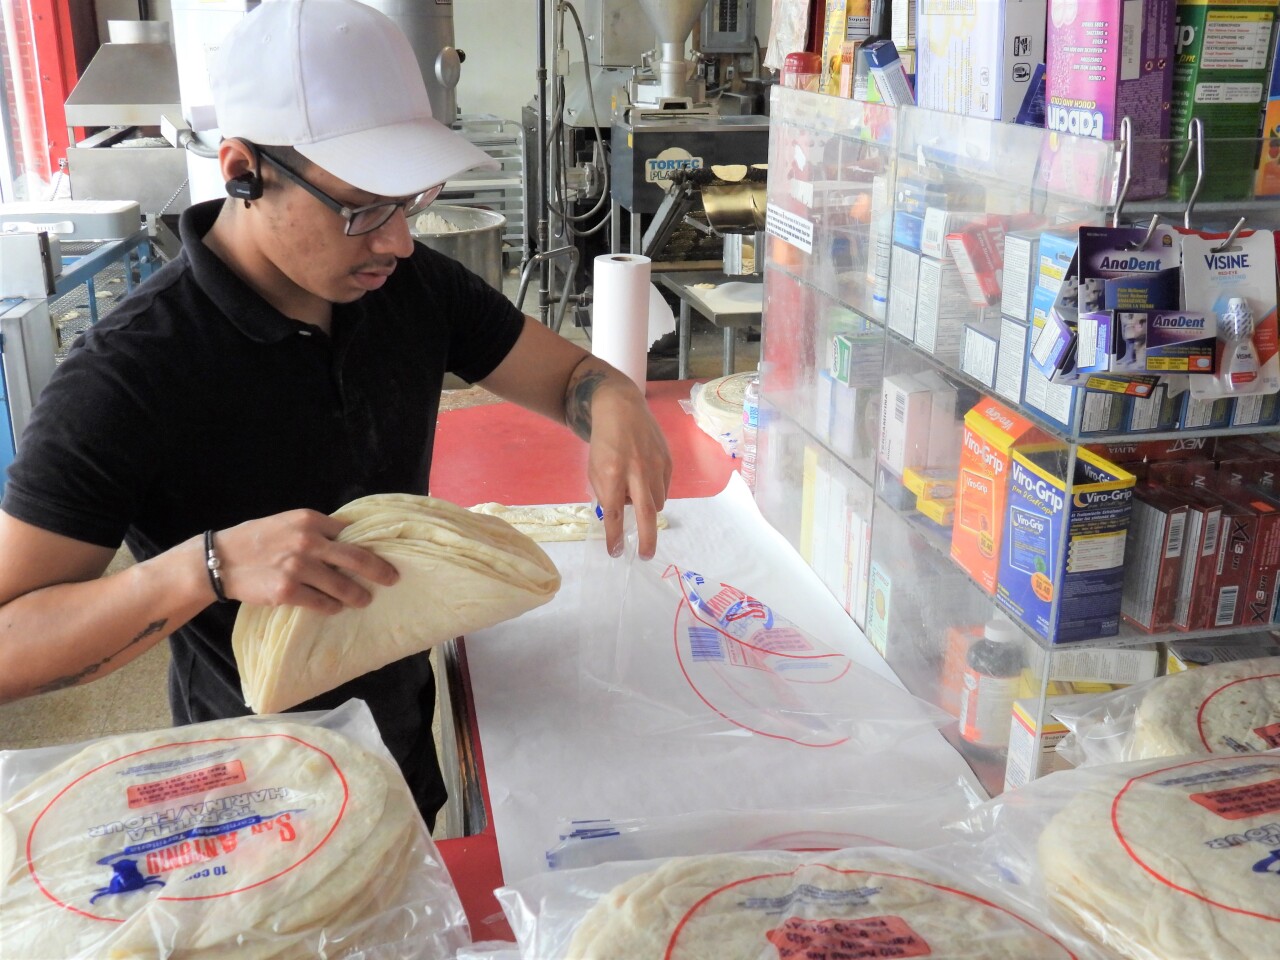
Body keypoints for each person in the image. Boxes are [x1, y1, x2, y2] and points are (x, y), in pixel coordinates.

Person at [0, 0, 671, 830]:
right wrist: (205, 568)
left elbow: (571, 372)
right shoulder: (131, 372)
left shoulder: (411, 288)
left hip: (398, 757)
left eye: (409, 202)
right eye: (361, 209)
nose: (395, 241)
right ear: (243, 168)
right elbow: (8, 643)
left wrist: (613, 401)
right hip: (249, 796)